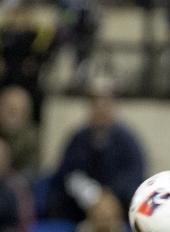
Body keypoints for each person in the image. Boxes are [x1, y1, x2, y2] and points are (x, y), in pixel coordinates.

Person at [47, 79, 145, 223]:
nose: (101, 109)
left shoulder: (127, 141)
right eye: (95, 104)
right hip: (81, 212)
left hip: (119, 212)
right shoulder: (78, 139)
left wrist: (111, 198)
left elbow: (134, 176)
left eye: (105, 103)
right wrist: (93, 198)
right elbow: (68, 175)